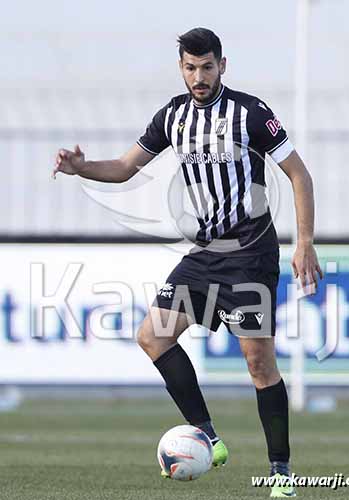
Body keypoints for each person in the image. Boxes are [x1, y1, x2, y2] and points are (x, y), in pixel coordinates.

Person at [53, 27, 323, 498]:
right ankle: (209, 437)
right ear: (181, 67)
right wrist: (82, 167)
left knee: (258, 362)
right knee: (152, 335)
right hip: (204, 255)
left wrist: (305, 242)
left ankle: (282, 474)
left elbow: (298, 175)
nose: (199, 77)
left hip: (249, 256)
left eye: (207, 67)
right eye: (190, 67)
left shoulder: (251, 113)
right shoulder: (172, 117)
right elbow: (123, 168)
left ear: (223, 65)